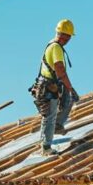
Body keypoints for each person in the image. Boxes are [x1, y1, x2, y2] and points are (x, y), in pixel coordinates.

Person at [30, 19, 78, 154]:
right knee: (50, 116)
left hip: (48, 84)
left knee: (66, 102)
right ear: (63, 35)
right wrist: (70, 88)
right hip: (48, 86)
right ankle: (46, 147)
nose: (68, 40)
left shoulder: (52, 44)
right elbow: (60, 70)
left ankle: (55, 127)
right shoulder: (56, 47)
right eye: (67, 36)